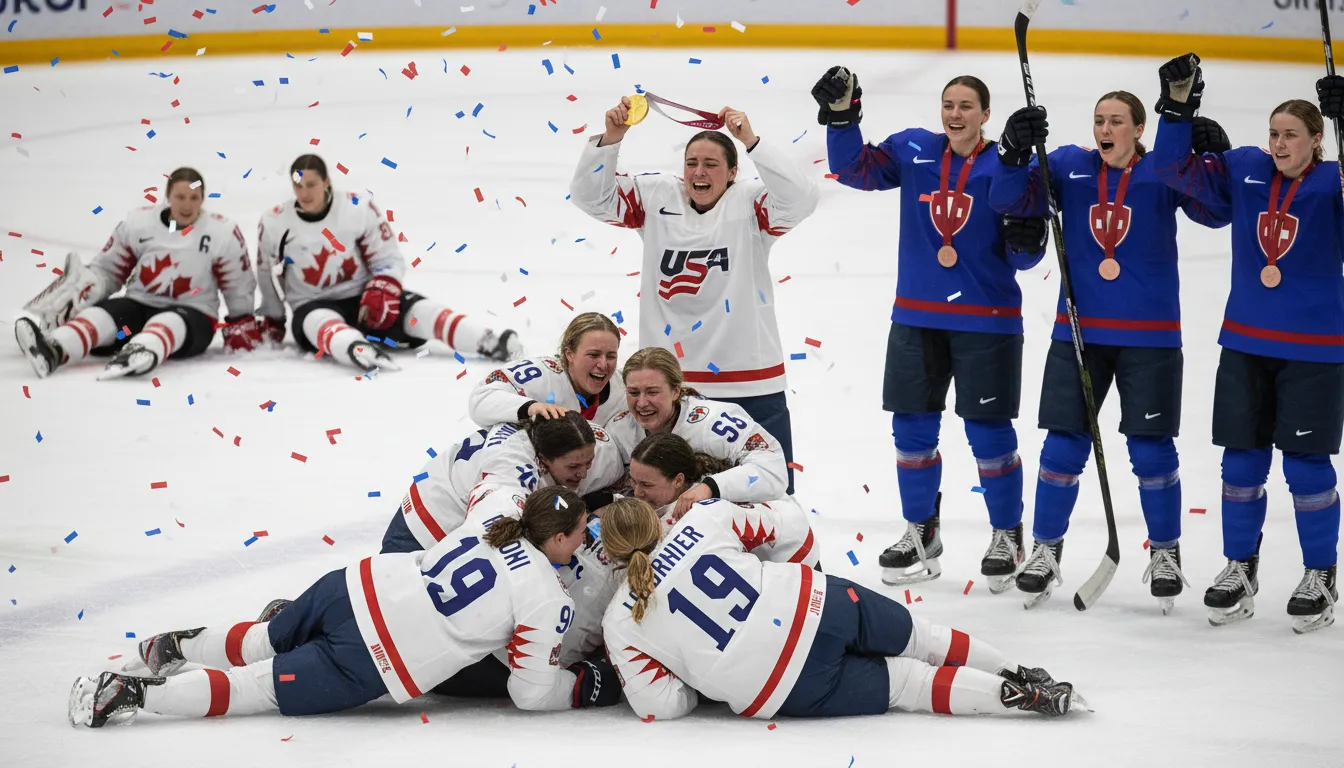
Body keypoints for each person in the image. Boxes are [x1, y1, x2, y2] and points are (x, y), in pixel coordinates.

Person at [69, 487, 620, 728]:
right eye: (578, 533)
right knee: (258, 687)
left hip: (354, 586)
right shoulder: (548, 598)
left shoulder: (498, 512)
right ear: (563, 536)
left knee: (264, 640)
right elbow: (528, 693)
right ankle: (135, 693)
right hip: (378, 656)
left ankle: (170, 646)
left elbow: (493, 485)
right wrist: (583, 687)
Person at [990, 93, 1232, 611]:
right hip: (1078, 331)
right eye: (1099, 119)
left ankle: (1166, 553)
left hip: (1151, 335)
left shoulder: (1163, 171)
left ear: (1139, 128)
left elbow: (1216, 214)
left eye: (1116, 121)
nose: (1105, 128)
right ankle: (1045, 550)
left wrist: (1211, 163)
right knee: (1062, 448)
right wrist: (1013, 153)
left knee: (1150, 452)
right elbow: (1012, 201)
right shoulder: (1071, 165)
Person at [814, 67, 1049, 590]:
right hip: (916, 316)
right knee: (911, 432)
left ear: (986, 114)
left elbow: (1025, 251)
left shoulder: (1005, 164)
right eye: (948, 104)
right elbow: (854, 167)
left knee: (989, 435)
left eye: (967, 106)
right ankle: (921, 529)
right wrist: (840, 116)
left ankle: (1008, 533)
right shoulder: (915, 151)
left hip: (987, 322)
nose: (955, 114)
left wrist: (1031, 234)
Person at [1152, 54, 1343, 633]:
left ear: (1317, 140)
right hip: (1245, 343)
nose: (1280, 145)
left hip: (1316, 348)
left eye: (1292, 136)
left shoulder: (1334, 183)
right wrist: (1178, 110)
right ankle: (1240, 566)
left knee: (1307, 467)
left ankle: (1320, 573)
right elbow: (1170, 168)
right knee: (1240, 464)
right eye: (1274, 134)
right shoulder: (1247, 169)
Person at [598, 497, 1082, 721]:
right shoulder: (704, 518)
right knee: (925, 638)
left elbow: (658, 706)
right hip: (815, 603)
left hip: (775, 686)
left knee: (909, 685)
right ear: (654, 518)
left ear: (610, 554)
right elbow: (787, 521)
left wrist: (701, 680)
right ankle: (1020, 671)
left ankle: (1020, 701)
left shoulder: (618, 619)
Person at [569, 98, 819, 494]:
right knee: (664, 500)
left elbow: (802, 199)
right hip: (670, 388)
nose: (699, 173)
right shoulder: (656, 198)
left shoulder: (751, 205)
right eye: (691, 164)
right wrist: (611, 139)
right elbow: (589, 197)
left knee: (769, 491)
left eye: (711, 164)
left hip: (750, 384)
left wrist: (751, 141)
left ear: (734, 172)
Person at [255, 154, 520, 372]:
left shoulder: (356, 207)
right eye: (298, 186)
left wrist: (383, 288)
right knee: (320, 322)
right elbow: (265, 271)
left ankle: (489, 341)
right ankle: (358, 349)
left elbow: (387, 257)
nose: (304, 193)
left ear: (326, 181)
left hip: (364, 299)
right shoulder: (275, 221)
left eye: (311, 184)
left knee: (422, 310)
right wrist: (273, 316)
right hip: (311, 304)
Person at [16, 167, 259, 379]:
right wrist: (91, 287)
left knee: (166, 322)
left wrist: (241, 319)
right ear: (168, 196)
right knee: (102, 316)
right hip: (137, 311)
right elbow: (109, 269)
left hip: (194, 316)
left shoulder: (221, 232)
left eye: (194, 197)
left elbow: (237, 283)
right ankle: (54, 349)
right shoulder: (139, 223)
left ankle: (141, 351)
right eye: (181, 196)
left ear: (202, 199)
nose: (187, 204)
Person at [380, 412, 625, 554]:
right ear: (542, 459)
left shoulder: (568, 434)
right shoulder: (512, 473)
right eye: (573, 467)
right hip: (429, 525)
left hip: (449, 487)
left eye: (588, 462)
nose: (583, 473)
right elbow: (498, 538)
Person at [607, 347, 788, 513]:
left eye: (652, 392)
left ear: (676, 391)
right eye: (633, 393)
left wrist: (710, 488)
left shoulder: (716, 423)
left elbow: (773, 470)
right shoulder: (619, 431)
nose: (642, 403)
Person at [626, 431, 817, 567]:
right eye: (633, 481)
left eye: (646, 485)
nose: (636, 492)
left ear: (678, 480)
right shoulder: (706, 479)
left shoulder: (695, 514)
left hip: (791, 558)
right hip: (791, 533)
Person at [469, 312, 625, 427]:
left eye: (611, 356)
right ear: (569, 353)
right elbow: (480, 399)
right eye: (593, 355)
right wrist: (531, 407)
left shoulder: (626, 387)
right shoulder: (540, 374)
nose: (603, 365)